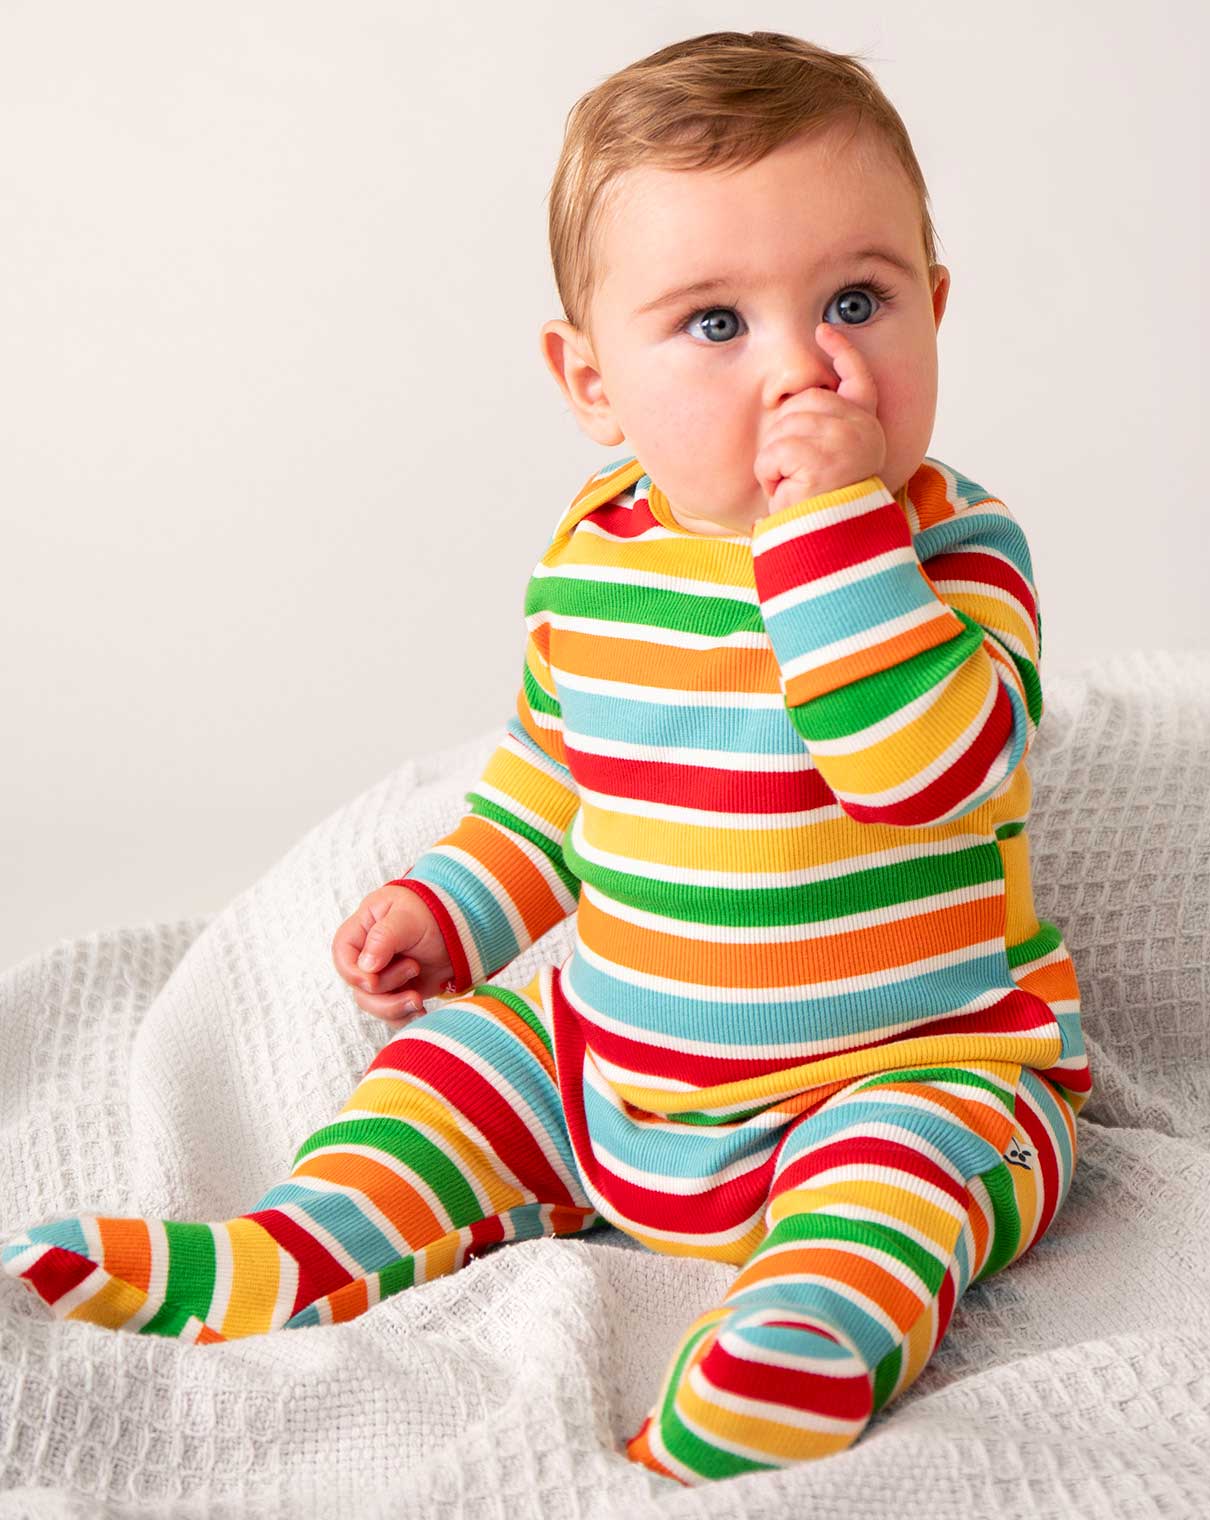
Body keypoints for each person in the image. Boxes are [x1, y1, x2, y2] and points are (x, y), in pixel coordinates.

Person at [2, 30, 1093, 1487]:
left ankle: (799, 1338)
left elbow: (926, 771)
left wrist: (832, 531)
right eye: (716, 324)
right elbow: (548, 781)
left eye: (855, 300)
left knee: (911, 1188)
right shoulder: (595, 560)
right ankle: (289, 1249)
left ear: (935, 311)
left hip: (919, 1065)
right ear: (591, 382)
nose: (803, 370)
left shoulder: (953, 551)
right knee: (459, 1068)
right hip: (611, 1070)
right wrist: (455, 905)